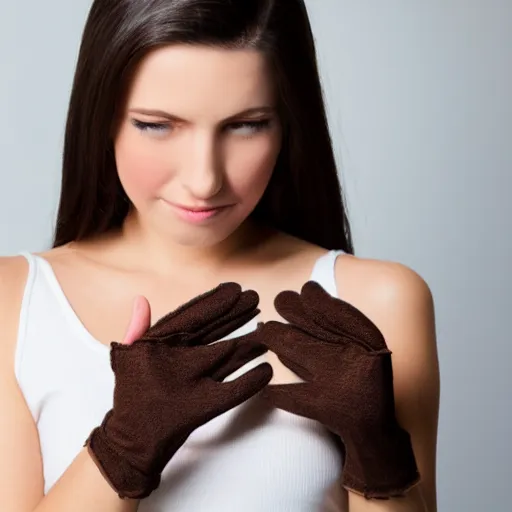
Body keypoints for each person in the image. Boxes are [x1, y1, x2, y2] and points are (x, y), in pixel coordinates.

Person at [0, 1, 440, 511]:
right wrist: (122, 447)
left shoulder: (380, 302)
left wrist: (378, 454)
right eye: (156, 125)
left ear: (288, 125)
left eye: (245, 125)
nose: (204, 179)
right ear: (103, 119)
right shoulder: (15, 302)